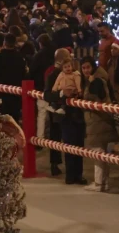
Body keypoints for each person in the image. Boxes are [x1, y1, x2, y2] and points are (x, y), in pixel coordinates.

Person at [46, 55, 86, 185]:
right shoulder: (55, 76)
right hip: (65, 116)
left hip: (78, 115)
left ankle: (78, 175)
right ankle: (70, 175)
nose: (68, 67)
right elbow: (47, 94)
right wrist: (62, 94)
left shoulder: (79, 74)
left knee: (79, 145)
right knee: (69, 144)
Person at [80, 58, 118, 192]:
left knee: (98, 152)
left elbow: (96, 97)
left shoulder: (96, 81)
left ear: (93, 67)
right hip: (98, 121)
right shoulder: (94, 79)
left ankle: (98, 183)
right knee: (102, 153)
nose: (86, 70)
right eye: (83, 68)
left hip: (98, 121)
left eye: (88, 67)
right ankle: (103, 182)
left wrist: (89, 88)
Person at [0, 33, 28, 120]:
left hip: (2, 92)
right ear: (15, 43)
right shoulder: (20, 57)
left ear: (4, 43)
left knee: (3, 119)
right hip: (17, 92)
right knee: (15, 118)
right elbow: (24, 74)